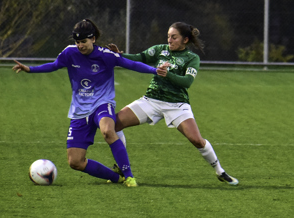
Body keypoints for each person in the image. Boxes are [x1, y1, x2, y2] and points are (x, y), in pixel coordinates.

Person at [12, 19, 167, 187]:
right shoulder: (69, 53)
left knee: (108, 131)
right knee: (75, 162)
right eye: (77, 42)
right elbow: (55, 65)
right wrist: (30, 69)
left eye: (84, 41)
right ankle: (117, 178)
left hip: (102, 104)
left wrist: (155, 71)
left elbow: (131, 64)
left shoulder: (106, 55)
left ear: (93, 39)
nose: (80, 45)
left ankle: (129, 176)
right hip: (79, 110)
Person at [107, 21, 239, 185]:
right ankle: (122, 167)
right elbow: (138, 58)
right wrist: (119, 55)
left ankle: (220, 171)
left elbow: (186, 82)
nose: (169, 40)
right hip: (152, 100)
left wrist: (166, 74)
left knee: (197, 140)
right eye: (168, 36)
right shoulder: (159, 49)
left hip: (177, 105)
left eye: (174, 37)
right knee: (114, 125)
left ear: (185, 40)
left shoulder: (192, 58)